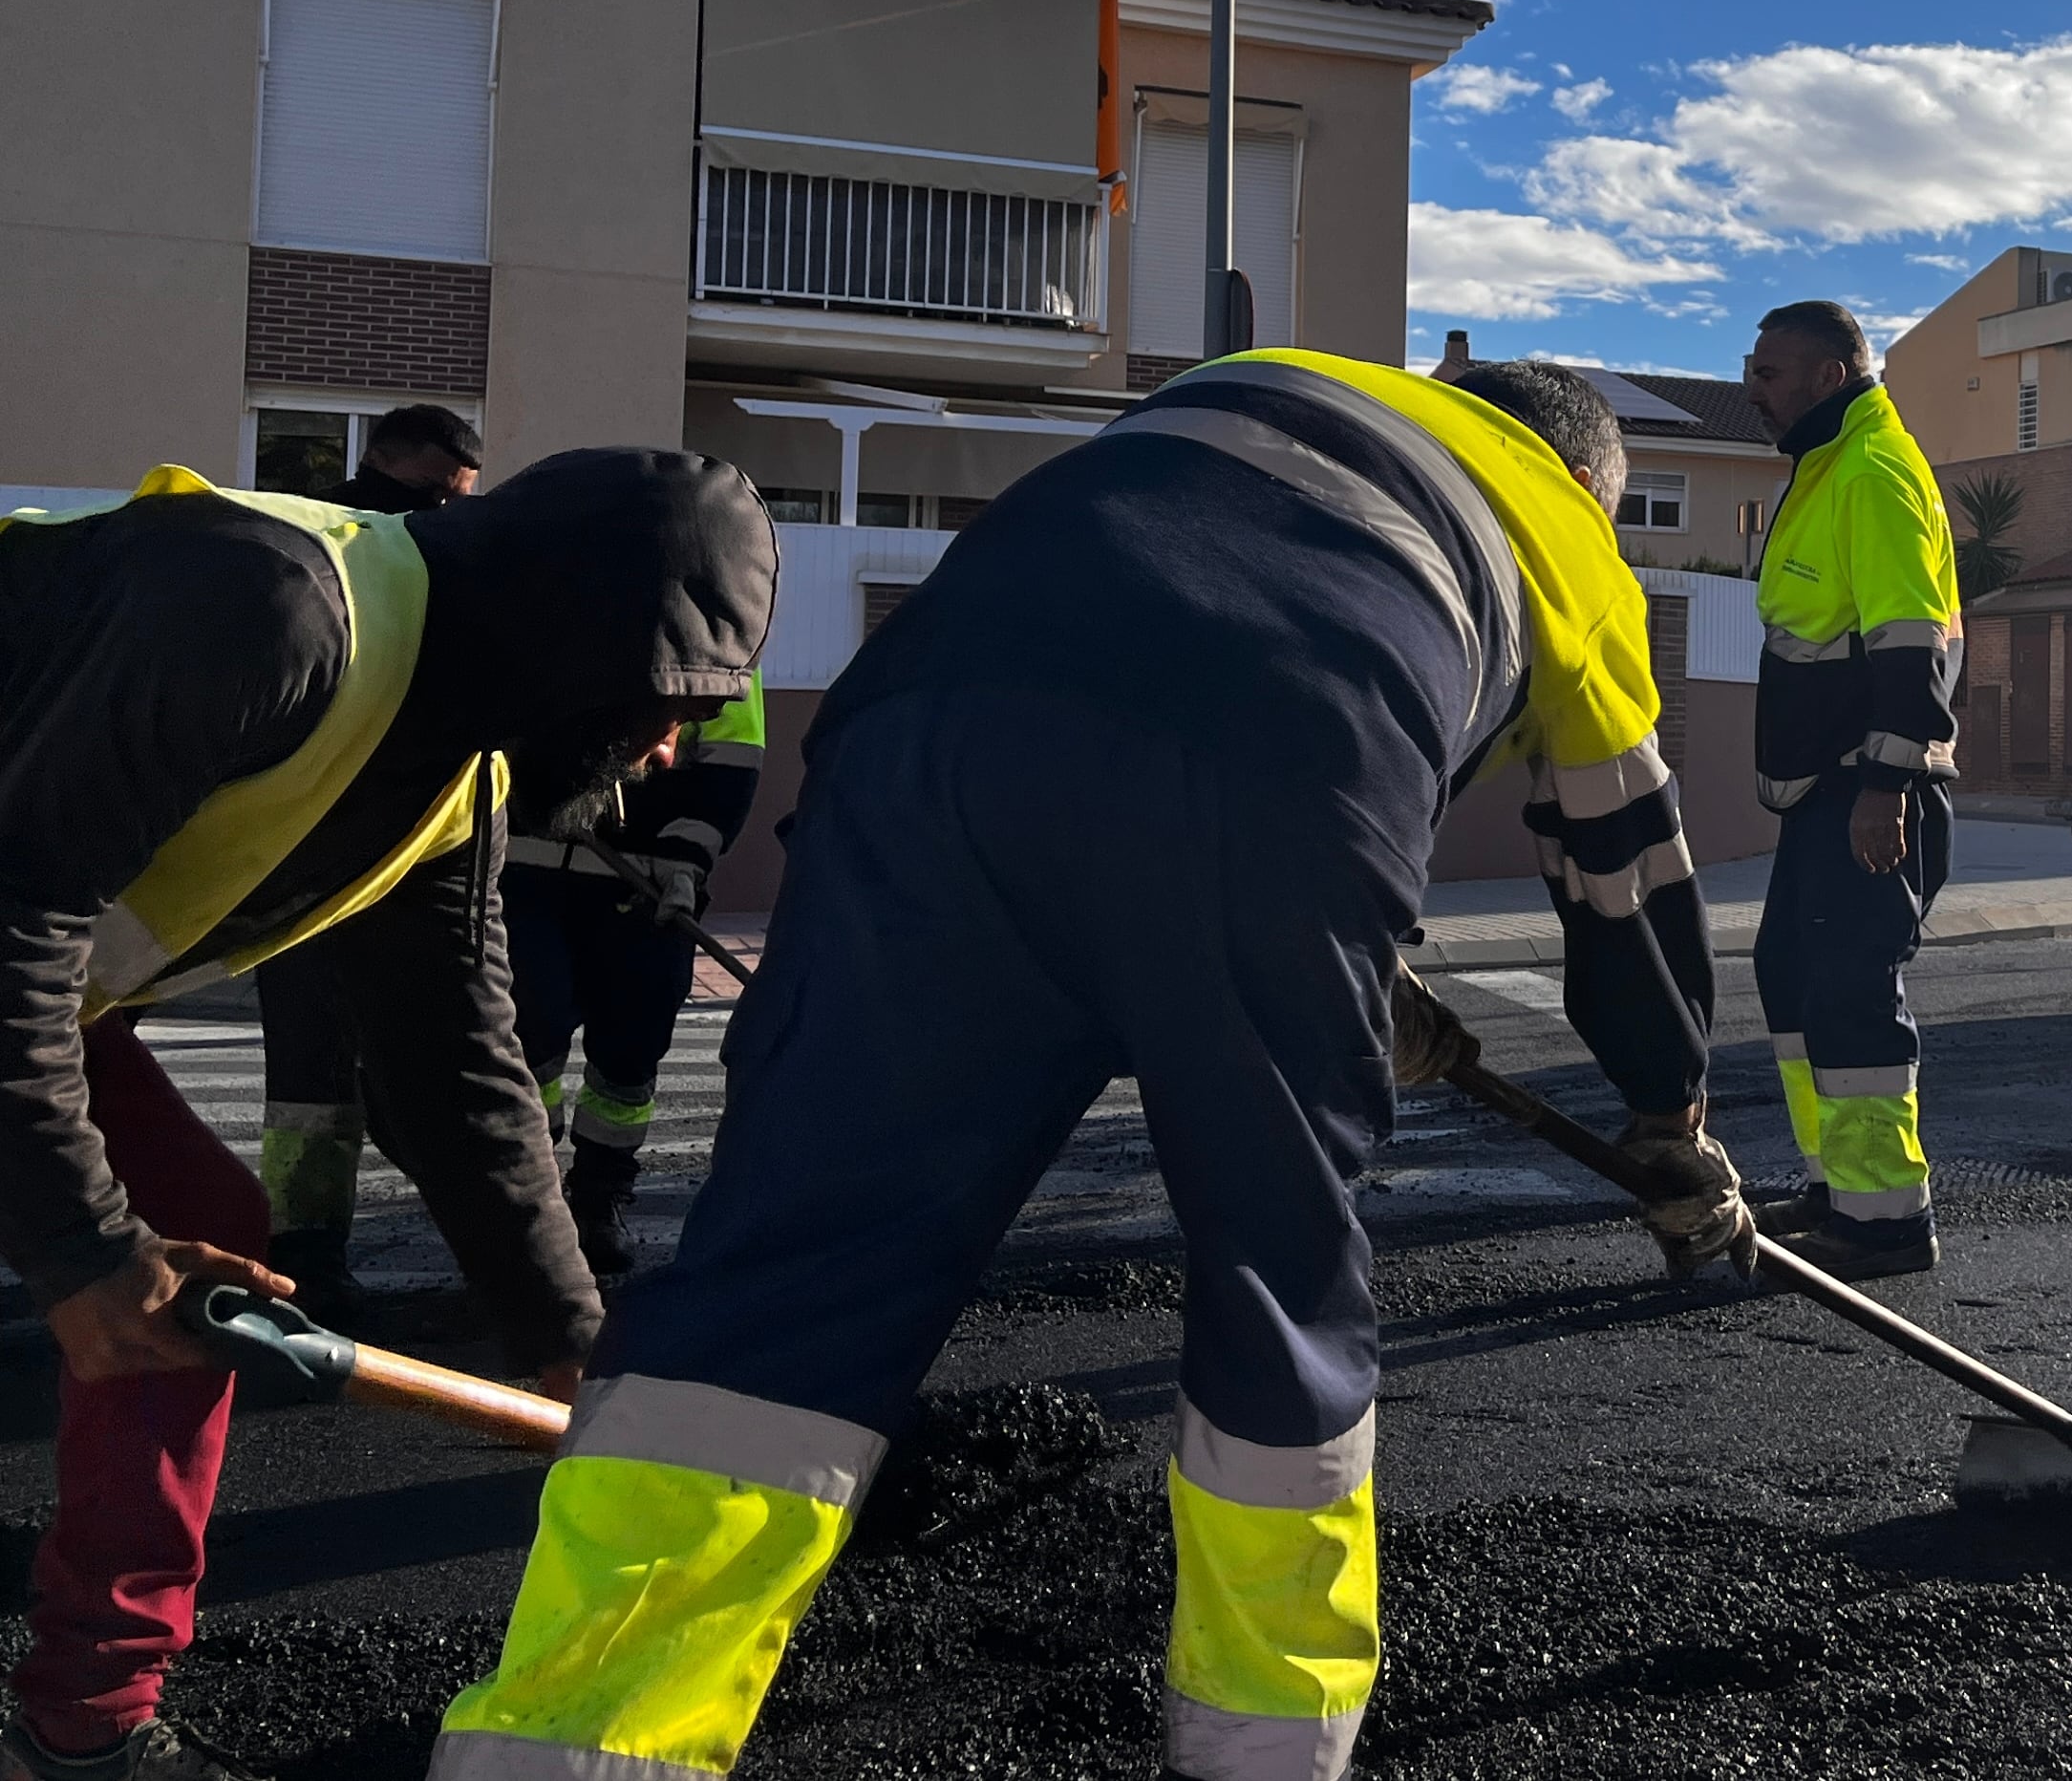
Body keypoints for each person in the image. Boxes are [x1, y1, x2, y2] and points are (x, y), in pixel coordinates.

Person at [434, 352, 1747, 1781]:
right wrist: (1668, 1113)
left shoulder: (1253, 382)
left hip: (917, 748)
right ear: (1592, 490)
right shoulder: (1563, 542)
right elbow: (1622, 882)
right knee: (1275, 1262)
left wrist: (1352, 951)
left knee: (792, 1261)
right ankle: (1258, 1749)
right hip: (1276, 771)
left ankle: (568, 1745)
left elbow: (1142, 628)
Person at [0, 449, 773, 1781]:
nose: (663, 749)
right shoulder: (272, 609)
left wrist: (566, 1339)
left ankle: (88, 1720)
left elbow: (452, 1073)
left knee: (195, 1233)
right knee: (125, 1248)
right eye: (662, 704)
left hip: (41, 983)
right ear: (568, 647)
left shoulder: (446, 776)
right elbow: (10, 915)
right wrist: (78, 1252)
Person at [1737, 299, 1963, 1278]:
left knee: (1851, 992)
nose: (1756, 388)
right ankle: (1840, 1187)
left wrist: (1888, 784)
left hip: (1865, 793)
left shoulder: (1868, 473)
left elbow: (1911, 639)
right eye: (1752, 368)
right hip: (1827, 795)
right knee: (1793, 976)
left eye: (1774, 372)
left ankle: (1886, 1223)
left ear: (1831, 377)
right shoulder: (1830, 467)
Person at [251, 402, 488, 1321]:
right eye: (433, 486)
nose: (437, 506)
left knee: (322, 1072)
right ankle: (325, 1249)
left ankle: (311, 1250)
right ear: (391, 458)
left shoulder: (312, 542)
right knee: (365, 1066)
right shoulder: (378, 551)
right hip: (344, 855)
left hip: (334, 854)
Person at [507, 670, 767, 1275]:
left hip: (646, 884)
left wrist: (687, 859)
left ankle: (599, 1199)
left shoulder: (726, 637)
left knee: (630, 1053)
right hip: (528, 870)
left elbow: (734, 758)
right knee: (527, 1028)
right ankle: (534, 1200)